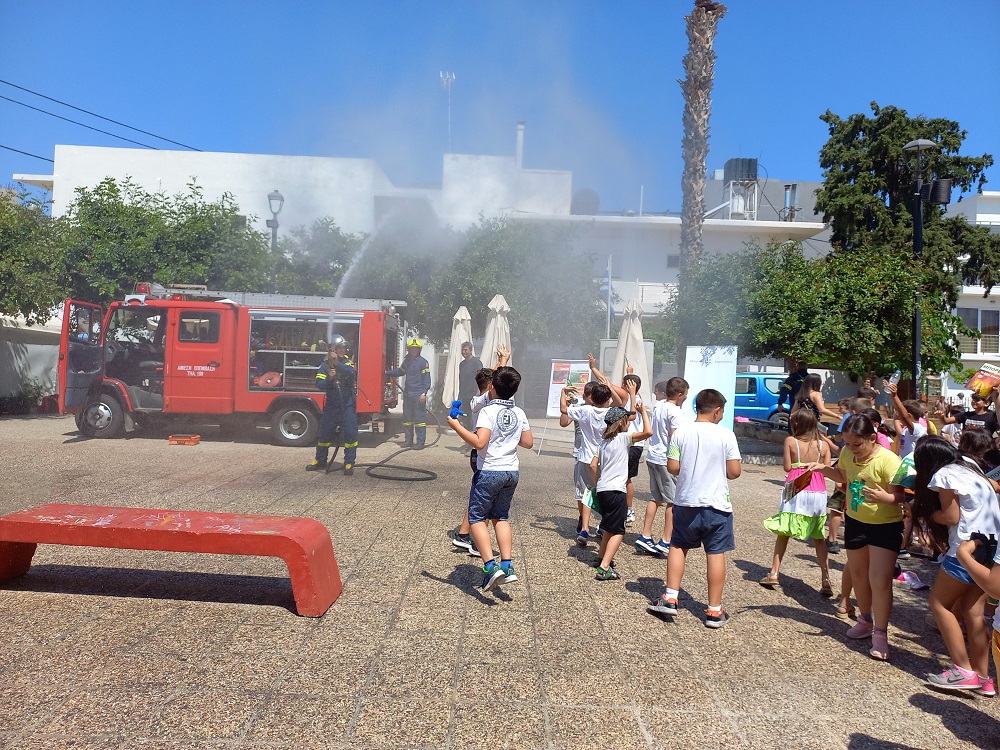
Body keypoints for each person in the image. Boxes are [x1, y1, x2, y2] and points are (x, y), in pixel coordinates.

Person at [807, 414, 903, 661]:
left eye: (857, 444)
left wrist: (887, 499)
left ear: (872, 438)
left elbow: (901, 497)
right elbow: (844, 476)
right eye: (847, 444)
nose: (851, 449)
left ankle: (880, 633)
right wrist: (825, 470)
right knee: (859, 575)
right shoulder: (849, 455)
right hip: (856, 521)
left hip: (885, 525)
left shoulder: (889, 461)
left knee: (879, 579)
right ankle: (865, 619)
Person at [646, 388, 742, 629]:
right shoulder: (726, 435)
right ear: (717, 410)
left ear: (696, 407)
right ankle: (714, 611)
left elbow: (673, 467)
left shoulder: (681, 434)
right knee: (716, 552)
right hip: (717, 504)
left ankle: (669, 597)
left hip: (686, 500)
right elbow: (734, 472)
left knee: (678, 546)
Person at [914, 436, 1000, 695]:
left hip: (966, 548)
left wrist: (923, 513)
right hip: (990, 548)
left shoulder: (945, 475)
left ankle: (962, 670)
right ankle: (984, 678)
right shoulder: (970, 468)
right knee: (974, 613)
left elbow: (951, 516)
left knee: (939, 605)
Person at [447, 365, 533, 591]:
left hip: (489, 471)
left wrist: (456, 426)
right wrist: (508, 436)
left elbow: (479, 442)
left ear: (492, 387)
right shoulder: (519, 412)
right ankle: (508, 565)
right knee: (501, 517)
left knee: (476, 518)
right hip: (511, 472)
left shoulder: (487, 411)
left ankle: (490, 567)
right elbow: (528, 442)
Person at [759, 409, 833, 594]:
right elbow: (828, 469)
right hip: (817, 490)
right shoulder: (823, 445)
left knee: (784, 531)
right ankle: (826, 579)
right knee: (818, 536)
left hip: (796, 488)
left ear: (797, 424)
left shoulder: (791, 441)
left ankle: (774, 573)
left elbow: (786, 466)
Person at [589, 403, 652, 579]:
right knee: (618, 531)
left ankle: (600, 557)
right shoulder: (625, 438)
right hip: (617, 490)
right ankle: (604, 567)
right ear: (621, 422)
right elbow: (648, 433)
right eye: (628, 420)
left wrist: (597, 483)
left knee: (608, 525)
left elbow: (593, 465)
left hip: (603, 489)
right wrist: (643, 414)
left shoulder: (602, 442)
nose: (630, 422)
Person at [588, 355, 645, 527]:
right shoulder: (634, 397)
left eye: (623, 383)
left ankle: (626, 510)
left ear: (627, 386)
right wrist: (630, 373)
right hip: (629, 442)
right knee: (624, 477)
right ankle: (624, 509)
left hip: (629, 443)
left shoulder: (629, 397)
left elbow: (604, 381)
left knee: (625, 478)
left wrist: (593, 369)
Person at [635, 378, 688, 557]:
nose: (687, 397)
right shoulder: (676, 412)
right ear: (680, 394)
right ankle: (666, 540)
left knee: (655, 497)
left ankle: (645, 534)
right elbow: (675, 438)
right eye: (686, 394)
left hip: (653, 456)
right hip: (666, 458)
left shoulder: (659, 406)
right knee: (672, 501)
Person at [562, 381, 613, 546]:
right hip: (604, 459)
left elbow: (563, 411)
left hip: (585, 457)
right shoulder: (612, 413)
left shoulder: (585, 410)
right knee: (606, 492)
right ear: (607, 399)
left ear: (592, 398)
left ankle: (584, 528)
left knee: (586, 494)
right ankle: (604, 526)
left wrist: (562, 393)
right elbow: (630, 413)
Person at [306, 336, 358, 475]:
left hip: (347, 404)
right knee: (324, 432)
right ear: (333, 349)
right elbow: (320, 385)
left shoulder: (347, 363)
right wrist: (330, 378)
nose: (342, 350)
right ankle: (320, 460)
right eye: (339, 348)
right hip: (331, 406)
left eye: (344, 348)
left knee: (350, 433)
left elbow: (350, 372)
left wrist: (337, 364)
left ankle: (349, 463)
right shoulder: (325, 365)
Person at [387, 338, 432, 448]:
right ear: (409, 349)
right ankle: (408, 441)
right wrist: (387, 373)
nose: (413, 350)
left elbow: (427, 380)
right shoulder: (407, 361)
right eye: (412, 348)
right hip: (408, 394)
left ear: (419, 350)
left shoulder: (423, 362)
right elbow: (400, 371)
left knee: (419, 420)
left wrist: (424, 394)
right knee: (407, 419)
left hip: (418, 395)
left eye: (416, 349)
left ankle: (420, 442)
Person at [458, 341, 483, 435]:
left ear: (471, 350)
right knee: (465, 419)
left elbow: (481, 378)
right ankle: (468, 441)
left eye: (466, 350)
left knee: (474, 419)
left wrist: (478, 393)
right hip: (464, 396)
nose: (464, 352)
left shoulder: (477, 362)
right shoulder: (462, 364)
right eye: (462, 350)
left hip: (474, 395)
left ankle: (475, 442)